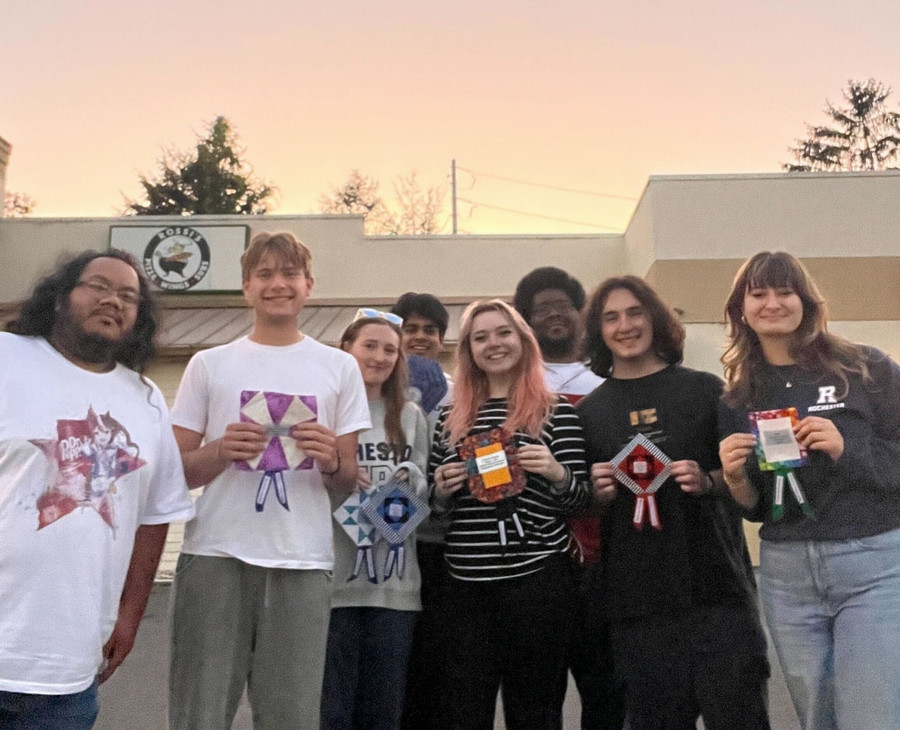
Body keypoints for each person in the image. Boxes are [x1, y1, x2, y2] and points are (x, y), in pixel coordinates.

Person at [168, 231, 371, 730]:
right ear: (245, 287)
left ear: (308, 285)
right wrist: (218, 451)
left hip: (301, 559)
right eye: (264, 274)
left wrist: (329, 462)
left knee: (291, 716)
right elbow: (173, 472)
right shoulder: (208, 365)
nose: (277, 284)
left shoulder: (339, 367)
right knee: (201, 710)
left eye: (288, 274)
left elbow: (347, 481)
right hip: (215, 553)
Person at [0, 250, 194, 729]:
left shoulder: (146, 399)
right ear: (62, 298)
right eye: (99, 286)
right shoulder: (7, 358)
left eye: (128, 295)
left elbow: (155, 517)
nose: (114, 300)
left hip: (66, 670)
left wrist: (129, 616)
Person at [577, 276, 770, 730]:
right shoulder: (587, 414)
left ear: (655, 319)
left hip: (717, 594)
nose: (625, 326)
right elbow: (581, 503)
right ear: (599, 331)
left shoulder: (705, 391)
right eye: (611, 317)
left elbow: (748, 475)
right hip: (636, 607)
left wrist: (709, 479)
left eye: (634, 313)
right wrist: (595, 492)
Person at [718, 251, 900, 730]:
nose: (772, 303)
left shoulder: (865, 368)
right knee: (817, 718)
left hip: (873, 567)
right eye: (758, 294)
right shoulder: (738, 397)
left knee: (871, 717)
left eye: (785, 291)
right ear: (741, 308)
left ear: (807, 301)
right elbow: (758, 510)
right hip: (787, 574)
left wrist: (847, 448)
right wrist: (737, 482)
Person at [431, 299, 590, 729]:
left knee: (536, 711)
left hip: (537, 581)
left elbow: (581, 503)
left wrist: (556, 473)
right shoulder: (448, 419)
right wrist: (442, 491)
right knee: (464, 712)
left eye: (503, 333)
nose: (493, 344)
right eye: (480, 337)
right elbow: (434, 513)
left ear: (523, 340)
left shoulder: (557, 413)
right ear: (468, 351)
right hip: (465, 587)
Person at [513, 266, 623, 729]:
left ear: (582, 314)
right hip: (537, 561)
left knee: (608, 691)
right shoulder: (514, 383)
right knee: (535, 695)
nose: (554, 314)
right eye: (542, 308)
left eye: (564, 305)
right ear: (526, 321)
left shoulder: (610, 379)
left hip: (607, 557)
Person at [321, 313, 431, 730]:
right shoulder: (327, 411)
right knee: (332, 710)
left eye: (390, 349)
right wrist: (340, 474)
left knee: (383, 712)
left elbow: (424, 486)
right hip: (336, 586)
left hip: (394, 587)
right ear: (347, 348)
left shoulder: (411, 416)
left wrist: (410, 478)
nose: (380, 357)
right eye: (370, 345)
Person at [390, 292, 453, 730]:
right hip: (389, 541)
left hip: (441, 542)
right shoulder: (371, 386)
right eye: (410, 328)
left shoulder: (458, 389)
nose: (419, 337)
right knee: (394, 659)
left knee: (437, 657)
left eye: (429, 329)